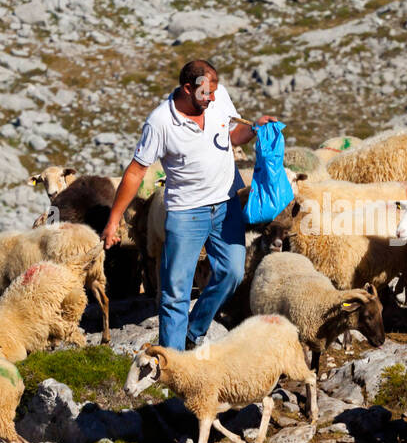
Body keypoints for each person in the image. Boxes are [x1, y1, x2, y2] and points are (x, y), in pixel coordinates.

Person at [101, 60, 276, 349]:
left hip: (225, 204)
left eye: (215, 91)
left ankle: (194, 330)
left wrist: (256, 129)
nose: (212, 98)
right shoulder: (160, 122)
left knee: (232, 272)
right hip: (186, 213)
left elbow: (230, 138)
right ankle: (172, 363)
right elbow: (135, 171)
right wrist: (113, 220)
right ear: (187, 88)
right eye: (205, 93)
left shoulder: (218, 99)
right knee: (175, 292)